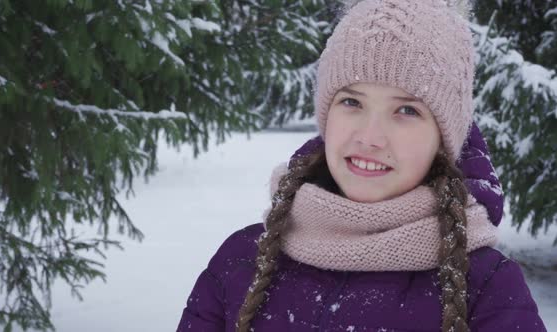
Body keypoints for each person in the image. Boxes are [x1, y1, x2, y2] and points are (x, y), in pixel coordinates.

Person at [177, 0, 547, 331]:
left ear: (443, 140)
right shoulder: (240, 261)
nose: (370, 137)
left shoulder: (489, 290)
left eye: (406, 110)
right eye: (352, 102)